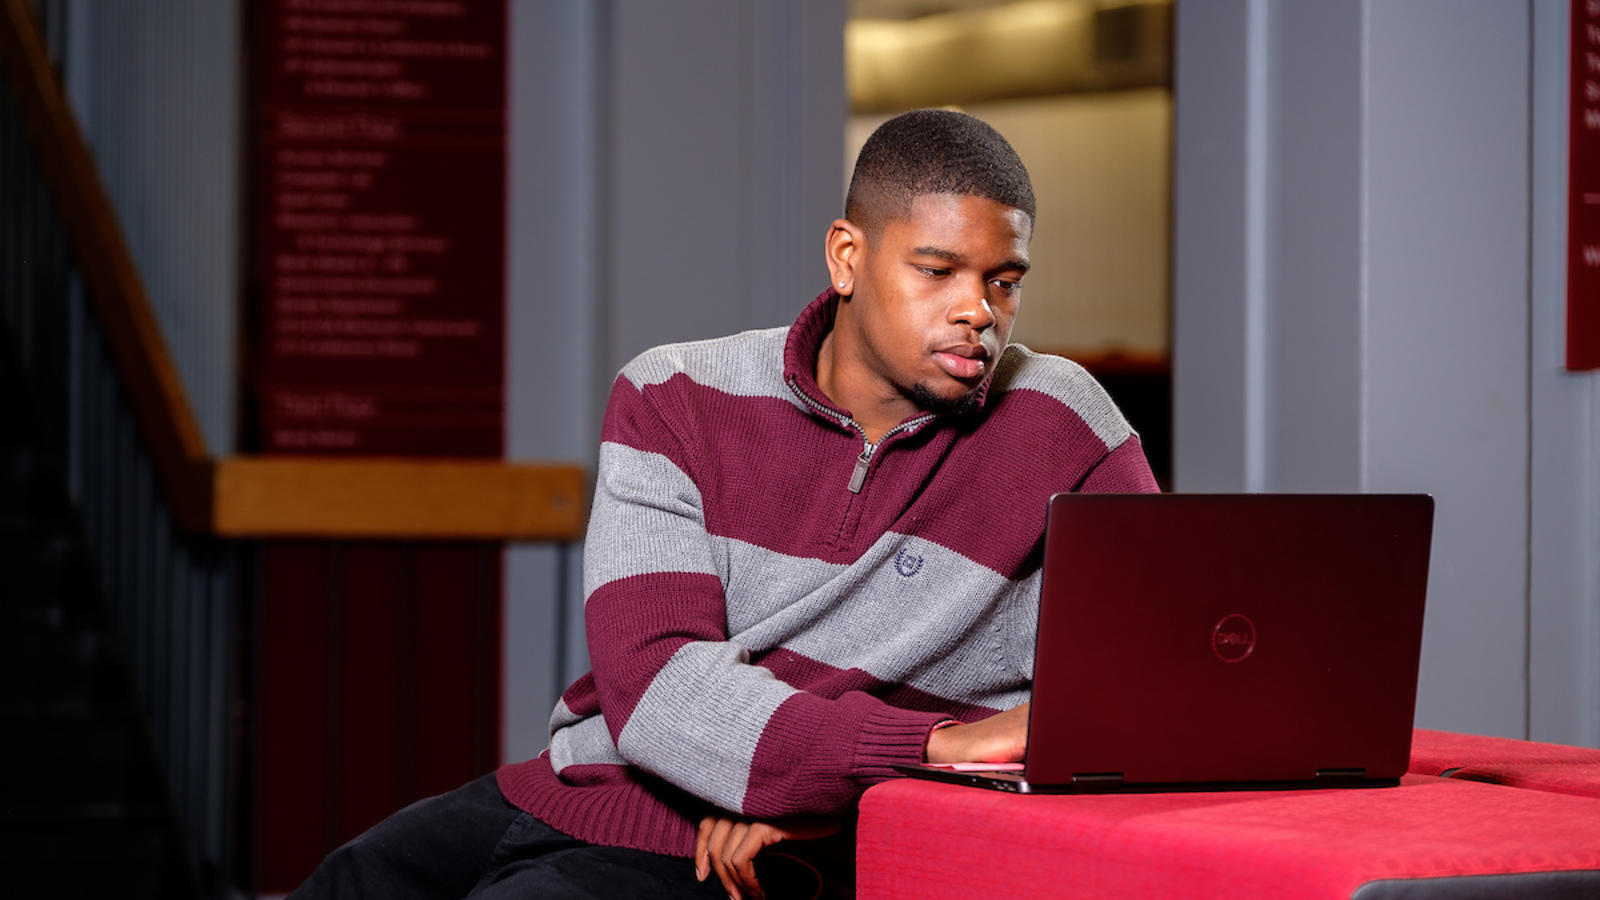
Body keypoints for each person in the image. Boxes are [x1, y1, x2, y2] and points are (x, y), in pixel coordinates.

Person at [290, 108, 1158, 900]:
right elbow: (656, 687)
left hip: (741, 854)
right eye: (938, 271)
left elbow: (1138, 688)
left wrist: (831, 792)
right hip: (592, 781)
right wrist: (903, 751)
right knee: (349, 881)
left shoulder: (1065, 422)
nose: (977, 311)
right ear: (847, 257)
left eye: (1005, 281)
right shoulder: (674, 393)